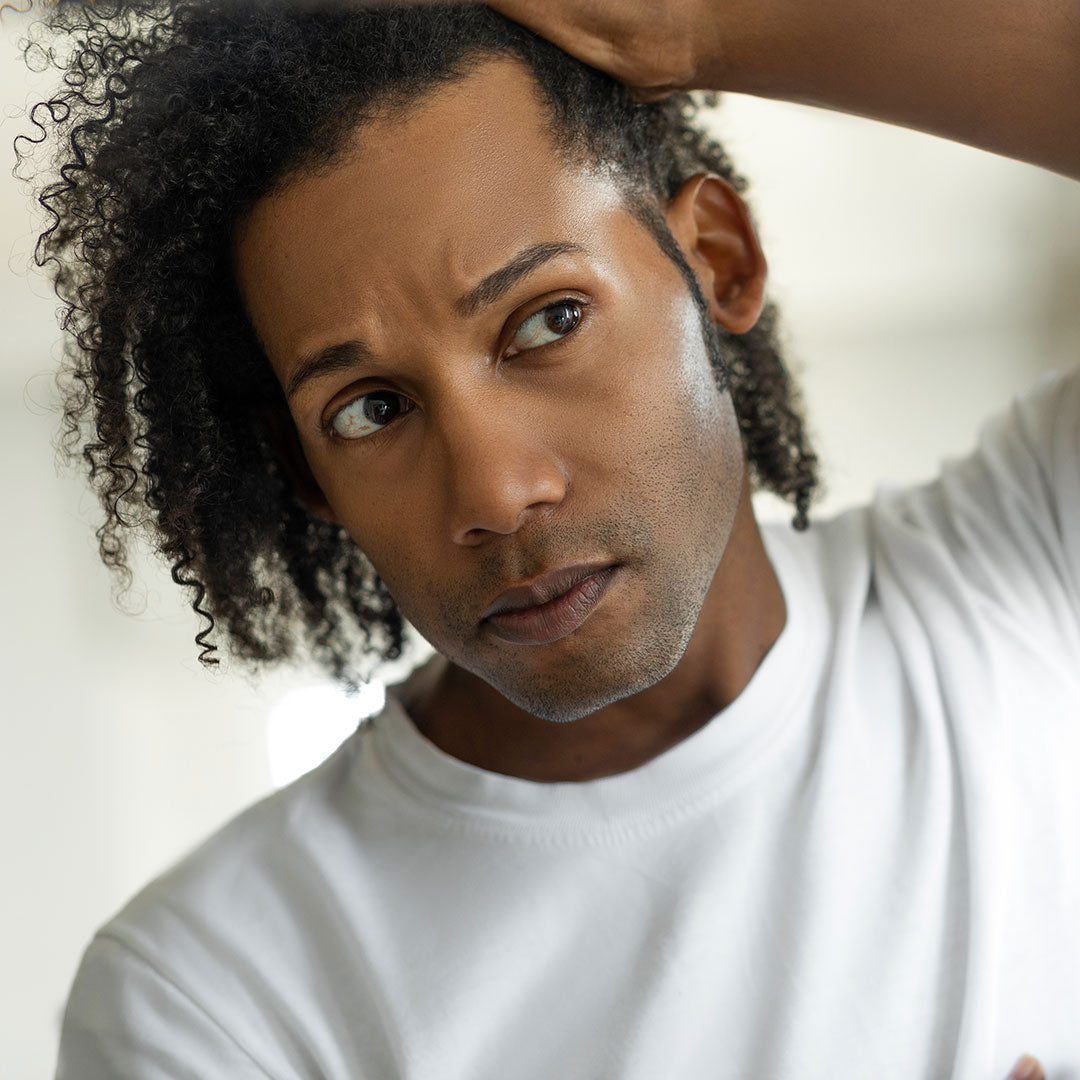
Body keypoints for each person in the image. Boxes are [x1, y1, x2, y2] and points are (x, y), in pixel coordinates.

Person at [27, 0, 1077, 1076]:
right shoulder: (212, 997)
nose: (493, 490)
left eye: (546, 320)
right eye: (370, 409)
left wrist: (704, 29)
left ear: (714, 261)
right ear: (310, 475)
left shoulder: (1033, 562)